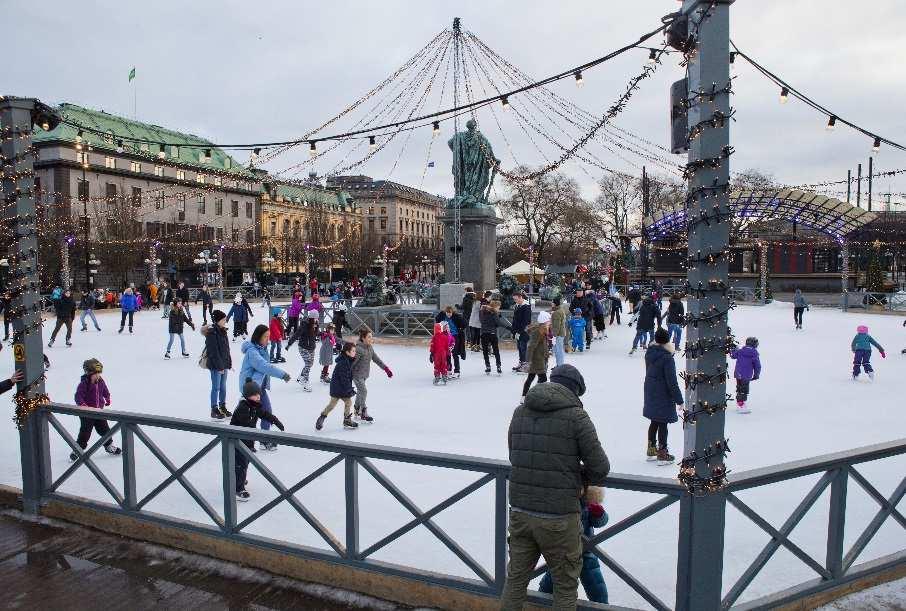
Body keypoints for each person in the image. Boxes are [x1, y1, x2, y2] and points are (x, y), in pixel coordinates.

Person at [501, 364, 610, 610]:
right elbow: (600, 467)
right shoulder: (577, 417)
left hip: (520, 511)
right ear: (575, 391)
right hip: (559, 518)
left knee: (515, 582)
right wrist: (576, 474)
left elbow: (514, 453)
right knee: (565, 586)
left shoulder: (520, 412)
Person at [538, 485, 609, 605]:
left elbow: (600, 522)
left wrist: (599, 514)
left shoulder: (588, 502)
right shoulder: (561, 500)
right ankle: (540, 600)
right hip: (563, 549)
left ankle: (601, 604)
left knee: (595, 582)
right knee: (553, 576)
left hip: (585, 550)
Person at [230, 378, 285, 501]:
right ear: (248, 396)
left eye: (259, 394)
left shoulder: (253, 406)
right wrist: (259, 435)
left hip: (247, 442)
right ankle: (237, 489)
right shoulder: (242, 408)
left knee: (245, 463)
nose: (258, 397)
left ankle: (240, 480)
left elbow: (264, 414)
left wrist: (275, 420)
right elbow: (246, 425)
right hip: (237, 442)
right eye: (255, 395)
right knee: (240, 465)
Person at [239, 325, 291, 451]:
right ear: (258, 337)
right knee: (249, 417)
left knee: (266, 412)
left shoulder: (262, 348)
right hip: (250, 389)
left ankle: (263, 440)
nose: (268, 339)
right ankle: (243, 442)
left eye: (269, 336)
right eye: (265, 337)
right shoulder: (253, 352)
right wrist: (282, 374)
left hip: (258, 388)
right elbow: (264, 366)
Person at [644, 328, 683, 464]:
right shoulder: (667, 358)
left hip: (651, 390)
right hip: (663, 393)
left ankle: (651, 450)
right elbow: (672, 382)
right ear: (668, 340)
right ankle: (662, 453)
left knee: (654, 421)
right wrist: (679, 400)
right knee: (662, 423)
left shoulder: (650, 353)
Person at [70, 358, 121, 461]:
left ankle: (109, 446)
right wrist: (83, 404)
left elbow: (105, 391)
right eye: (95, 374)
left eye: (99, 373)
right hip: (87, 413)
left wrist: (107, 398)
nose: (98, 376)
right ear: (88, 373)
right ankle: (78, 449)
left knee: (105, 430)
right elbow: (78, 396)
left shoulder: (101, 381)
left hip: (99, 412)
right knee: (85, 433)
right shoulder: (84, 383)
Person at [351, 328, 392, 423]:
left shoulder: (370, 348)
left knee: (360, 392)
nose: (371, 339)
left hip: (364, 374)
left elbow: (376, 359)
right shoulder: (358, 349)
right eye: (369, 337)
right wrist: (346, 375)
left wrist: (386, 369)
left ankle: (357, 409)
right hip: (356, 375)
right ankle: (363, 412)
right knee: (364, 391)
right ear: (363, 338)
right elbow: (352, 363)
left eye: (371, 337)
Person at [316, 341, 358, 430]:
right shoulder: (343, 363)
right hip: (337, 388)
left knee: (348, 402)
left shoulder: (348, 360)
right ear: (347, 352)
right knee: (332, 405)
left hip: (343, 388)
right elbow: (344, 378)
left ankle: (347, 420)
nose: (355, 353)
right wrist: (350, 390)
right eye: (353, 351)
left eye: (355, 351)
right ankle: (322, 417)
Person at [202, 310, 232, 420]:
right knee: (216, 387)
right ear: (218, 320)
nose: (225, 321)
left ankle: (222, 407)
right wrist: (219, 366)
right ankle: (214, 409)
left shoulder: (223, 331)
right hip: (216, 365)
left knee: (223, 387)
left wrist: (228, 362)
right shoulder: (212, 333)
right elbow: (213, 352)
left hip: (223, 364)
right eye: (223, 319)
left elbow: (226, 349)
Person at [522, 311, 551, 398]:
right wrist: (528, 361)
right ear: (544, 321)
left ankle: (525, 396)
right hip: (537, 360)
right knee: (543, 379)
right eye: (549, 320)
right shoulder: (538, 332)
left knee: (530, 378)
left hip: (540, 358)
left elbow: (541, 345)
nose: (550, 322)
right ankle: (537, 395)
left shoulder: (543, 330)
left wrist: (546, 353)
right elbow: (531, 346)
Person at [479, 299, 511, 375]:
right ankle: (498, 366)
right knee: (496, 350)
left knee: (485, 351)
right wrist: (508, 327)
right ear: (495, 306)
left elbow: (481, 321)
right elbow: (498, 323)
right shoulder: (494, 313)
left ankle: (488, 366)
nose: (499, 309)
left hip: (484, 333)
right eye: (498, 307)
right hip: (492, 334)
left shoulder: (482, 312)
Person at [731, 337, 762, 413]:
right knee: (744, 390)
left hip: (738, 373)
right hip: (746, 375)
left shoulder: (741, 351)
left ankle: (740, 404)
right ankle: (741, 406)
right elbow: (757, 366)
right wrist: (756, 375)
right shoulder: (754, 353)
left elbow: (733, 355)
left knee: (739, 388)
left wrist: (734, 349)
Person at [436, 305, 467, 378]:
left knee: (455, 354)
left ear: (452, 312)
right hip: (446, 337)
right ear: (445, 312)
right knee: (447, 354)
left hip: (455, 337)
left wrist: (460, 328)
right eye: (447, 313)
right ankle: (449, 370)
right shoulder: (443, 316)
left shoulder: (456, 317)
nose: (449, 314)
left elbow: (464, 323)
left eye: (450, 313)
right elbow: (437, 320)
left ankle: (457, 371)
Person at [291, 310, 318, 392]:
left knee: (310, 364)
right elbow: (297, 334)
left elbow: (315, 335)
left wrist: (316, 329)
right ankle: (305, 382)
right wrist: (289, 343)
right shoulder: (305, 325)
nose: (317, 319)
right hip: (303, 347)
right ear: (312, 317)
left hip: (311, 347)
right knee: (308, 363)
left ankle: (301, 377)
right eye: (316, 317)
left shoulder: (315, 324)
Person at [511, 293, 532, 372]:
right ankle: (521, 362)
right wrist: (514, 330)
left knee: (523, 348)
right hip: (517, 331)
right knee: (519, 347)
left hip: (524, 331)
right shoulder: (517, 305)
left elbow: (526, 321)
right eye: (514, 299)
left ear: (521, 298)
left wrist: (520, 331)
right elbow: (515, 319)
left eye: (516, 299)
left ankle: (525, 365)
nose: (515, 301)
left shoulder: (526, 306)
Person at [550, 298, 567, 368]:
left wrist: (554, 335)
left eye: (552, 302)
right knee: (558, 350)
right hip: (561, 333)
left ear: (554, 303)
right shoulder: (560, 310)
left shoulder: (556, 312)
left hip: (558, 334)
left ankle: (560, 365)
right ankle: (559, 365)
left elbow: (556, 325)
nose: (551, 303)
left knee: (558, 350)